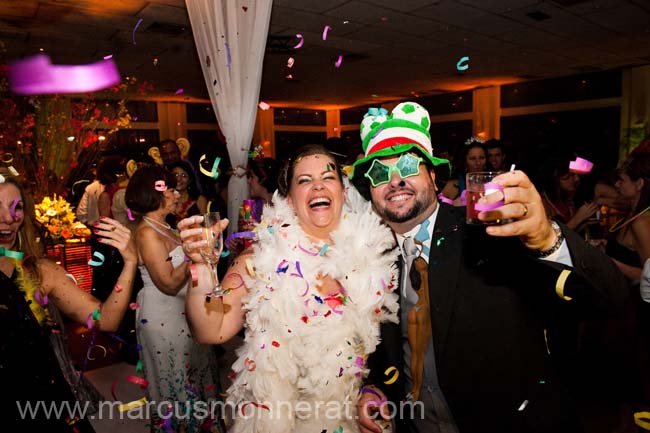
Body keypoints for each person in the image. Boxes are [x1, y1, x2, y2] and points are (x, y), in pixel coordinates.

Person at [348, 102, 628, 433]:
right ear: (371, 190)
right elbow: (382, 351)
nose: (395, 180)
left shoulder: (486, 233)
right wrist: (373, 388)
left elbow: (612, 299)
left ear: (434, 177)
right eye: (379, 172)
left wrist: (546, 238)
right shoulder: (369, 258)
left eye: (408, 166)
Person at [179, 144, 400, 433]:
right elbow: (211, 330)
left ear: (344, 193)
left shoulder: (372, 255)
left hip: (344, 418)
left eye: (328, 177)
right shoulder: (259, 259)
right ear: (290, 200)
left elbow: (378, 344)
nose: (318, 185)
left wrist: (369, 389)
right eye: (304, 180)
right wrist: (202, 272)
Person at [0, 166, 138, 431]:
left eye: (15, 207)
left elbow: (105, 320)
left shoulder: (40, 271)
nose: (8, 217)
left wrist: (130, 262)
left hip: (40, 401)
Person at [124, 165, 222, 433]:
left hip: (184, 312)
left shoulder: (165, 226)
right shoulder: (146, 231)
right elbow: (167, 283)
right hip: (163, 317)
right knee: (176, 385)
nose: (177, 194)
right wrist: (193, 254)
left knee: (197, 378)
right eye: (171, 188)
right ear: (155, 192)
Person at [168, 160, 207, 227]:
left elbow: (205, 226)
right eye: (175, 175)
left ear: (190, 180)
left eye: (184, 175)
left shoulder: (200, 200)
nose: (179, 179)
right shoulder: (165, 201)